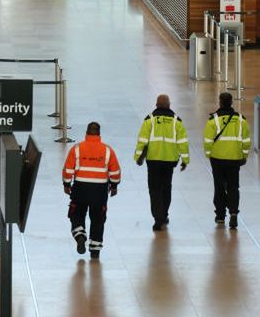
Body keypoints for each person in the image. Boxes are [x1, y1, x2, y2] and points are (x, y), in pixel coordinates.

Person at [62, 122, 121, 260]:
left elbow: (68, 169)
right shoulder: (107, 150)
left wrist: (66, 184)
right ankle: (95, 250)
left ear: (87, 133)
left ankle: (80, 235)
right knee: (98, 219)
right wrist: (114, 186)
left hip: (80, 188)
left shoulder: (77, 149)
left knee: (76, 213)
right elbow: (115, 171)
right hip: (99, 191)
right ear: (99, 133)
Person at [134, 94, 189, 231]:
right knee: (166, 188)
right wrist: (185, 160)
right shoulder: (177, 121)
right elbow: (183, 142)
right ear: (169, 105)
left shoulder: (149, 120)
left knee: (154, 189)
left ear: (156, 105)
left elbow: (142, 140)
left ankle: (158, 218)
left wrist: (138, 157)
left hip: (153, 160)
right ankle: (164, 214)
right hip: (170, 161)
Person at [203, 92, 250, 229]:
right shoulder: (241, 120)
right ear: (231, 103)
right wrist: (244, 155)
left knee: (219, 187)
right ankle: (234, 213)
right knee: (233, 187)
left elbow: (207, 141)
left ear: (220, 102)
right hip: (234, 158)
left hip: (217, 159)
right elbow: (246, 141)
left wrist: (208, 155)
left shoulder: (213, 120)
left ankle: (220, 216)